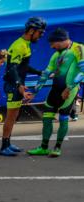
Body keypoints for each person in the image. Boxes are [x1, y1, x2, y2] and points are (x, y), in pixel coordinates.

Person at [27, 29, 84, 158]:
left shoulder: (78, 48)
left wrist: (69, 88)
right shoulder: (56, 55)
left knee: (63, 118)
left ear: (61, 40)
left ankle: (57, 148)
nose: (51, 46)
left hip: (69, 91)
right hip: (55, 90)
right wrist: (35, 91)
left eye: (53, 43)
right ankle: (43, 147)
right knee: (47, 118)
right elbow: (46, 73)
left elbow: (82, 71)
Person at [0, 16, 47, 156]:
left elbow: (23, 67)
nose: (41, 35)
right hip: (13, 85)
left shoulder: (26, 44)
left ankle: (7, 143)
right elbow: (12, 68)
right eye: (40, 32)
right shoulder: (19, 45)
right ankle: (3, 146)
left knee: (14, 116)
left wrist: (39, 72)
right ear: (31, 30)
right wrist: (19, 84)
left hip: (17, 84)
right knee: (10, 116)